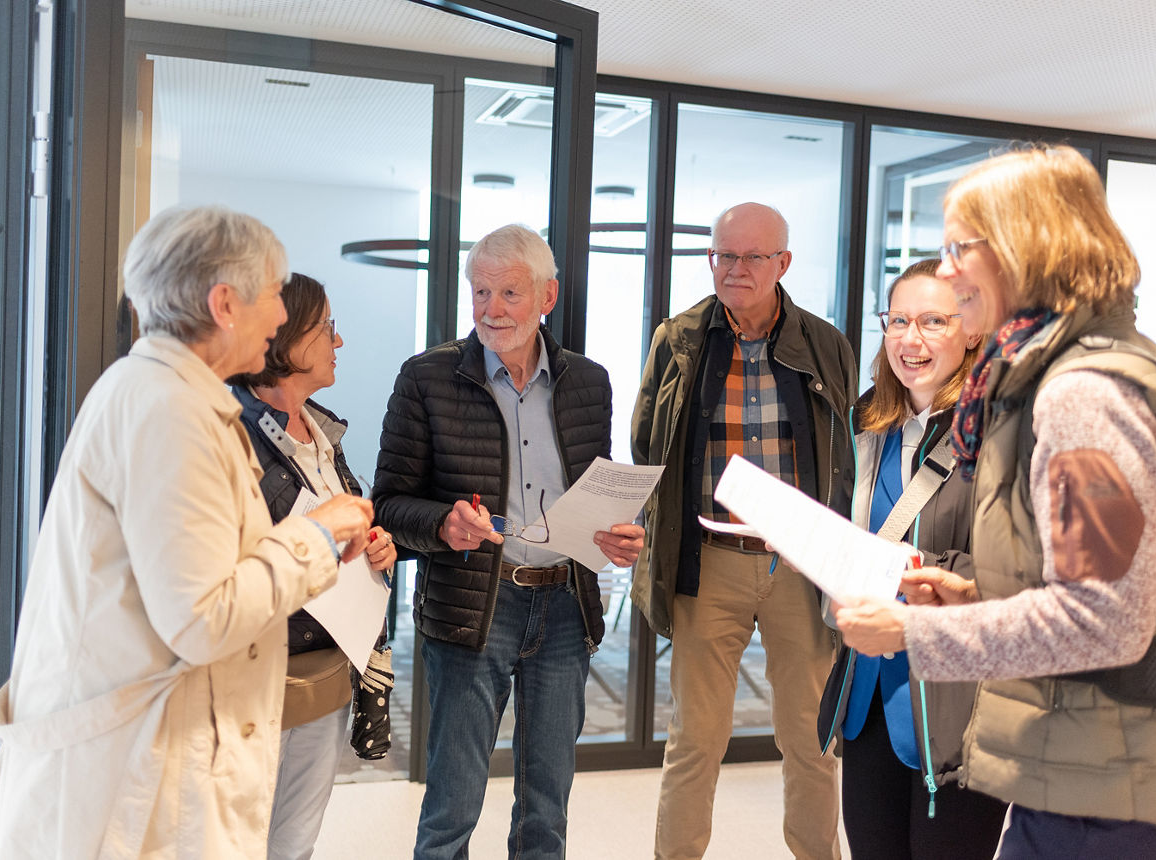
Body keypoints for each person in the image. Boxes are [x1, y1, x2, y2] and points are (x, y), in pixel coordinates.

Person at [834, 145, 1156, 855]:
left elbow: (1103, 622)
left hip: (1116, 790)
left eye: (958, 248)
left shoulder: (1084, 395)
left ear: (1021, 247)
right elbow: (1113, 593)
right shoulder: (1088, 369)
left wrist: (913, 633)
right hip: (1101, 772)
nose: (944, 271)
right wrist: (977, 596)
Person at [0, 206, 374, 858]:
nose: (278, 316)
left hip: (148, 752)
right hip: (137, 772)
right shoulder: (169, 412)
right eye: (272, 294)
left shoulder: (167, 395)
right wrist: (317, 536)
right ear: (224, 304)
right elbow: (203, 617)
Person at [372, 224, 645, 859]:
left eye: (509, 294)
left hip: (564, 610)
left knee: (547, 804)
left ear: (548, 297)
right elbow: (387, 505)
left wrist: (618, 538)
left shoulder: (590, 383)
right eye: (481, 293)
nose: (492, 310)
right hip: (474, 608)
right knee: (453, 801)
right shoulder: (426, 378)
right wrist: (442, 524)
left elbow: (594, 498)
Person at [632, 201, 857, 860]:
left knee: (811, 740)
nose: (735, 269)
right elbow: (648, 443)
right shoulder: (679, 339)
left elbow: (847, 452)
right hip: (711, 559)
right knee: (695, 741)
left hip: (799, 565)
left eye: (752, 257)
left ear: (782, 263)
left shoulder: (823, 343)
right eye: (723, 255)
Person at [815, 259, 1006, 859]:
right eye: (897, 320)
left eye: (932, 321)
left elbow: (1017, 568)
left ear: (971, 329)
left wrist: (925, 563)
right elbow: (849, 530)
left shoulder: (998, 429)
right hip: (869, 692)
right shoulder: (866, 421)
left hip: (956, 701)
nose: (909, 339)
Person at [228, 273, 397, 860]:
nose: (339, 342)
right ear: (288, 337)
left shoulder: (322, 429)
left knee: (293, 843)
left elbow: (346, 521)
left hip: (326, 670)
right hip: (261, 680)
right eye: (328, 329)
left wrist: (378, 545)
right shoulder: (234, 438)